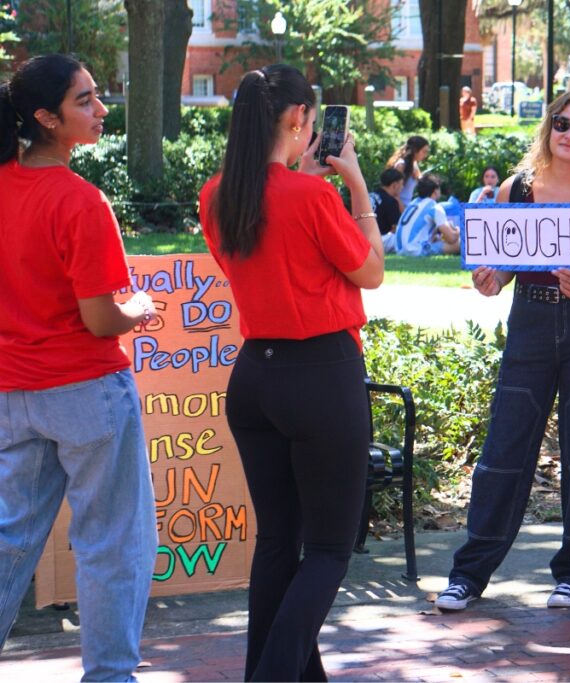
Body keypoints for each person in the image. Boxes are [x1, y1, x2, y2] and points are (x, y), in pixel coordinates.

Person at [198, 64, 384, 680]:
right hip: (321, 374)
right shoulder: (312, 196)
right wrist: (355, 184)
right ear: (299, 121)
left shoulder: (217, 193)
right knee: (329, 550)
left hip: (255, 377)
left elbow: (264, 254)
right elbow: (371, 272)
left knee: (279, 542)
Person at [435, 88, 570, 612]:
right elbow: (503, 268)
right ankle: (469, 574)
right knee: (504, 450)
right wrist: (490, 279)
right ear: (549, 127)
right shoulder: (515, 190)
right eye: (563, 124)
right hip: (529, 321)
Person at [0, 54, 158, 681]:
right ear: (45, 118)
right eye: (85, 101)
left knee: (10, 542)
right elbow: (101, 319)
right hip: (87, 390)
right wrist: (139, 308)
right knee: (113, 546)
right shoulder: (81, 200)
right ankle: (111, 676)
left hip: (14, 393)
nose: (101, 108)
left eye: (97, 95)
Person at [394, 175, 460, 256]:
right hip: (415, 250)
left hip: (399, 249)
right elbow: (451, 238)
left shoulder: (413, 203)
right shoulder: (434, 207)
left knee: (437, 239)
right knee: (461, 243)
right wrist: (457, 230)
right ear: (435, 191)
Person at [387, 135, 430, 207]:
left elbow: (421, 181)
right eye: (424, 152)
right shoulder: (401, 165)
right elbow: (394, 193)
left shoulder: (414, 164)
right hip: (396, 207)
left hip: (407, 206)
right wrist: (403, 210)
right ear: (415, 150)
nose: (425, 155)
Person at [369, 167, 404, 237]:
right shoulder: (390, 202)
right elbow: (396, 227)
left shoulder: (371, 194)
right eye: (401, 184)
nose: (402, 187)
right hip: (379, 238)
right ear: (395, 185)